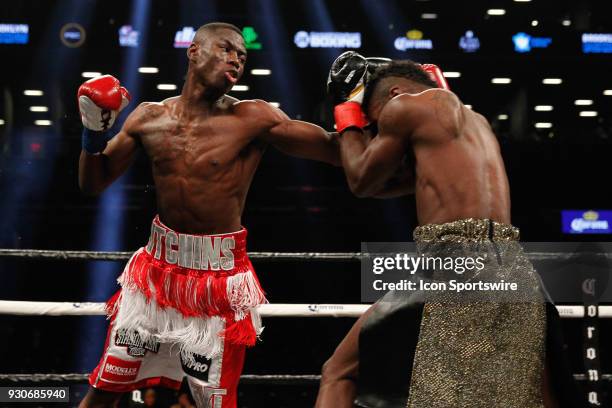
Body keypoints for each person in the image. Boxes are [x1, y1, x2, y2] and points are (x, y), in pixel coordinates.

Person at [77, 22, 342, 408]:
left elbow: (334, 150)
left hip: (218, 282)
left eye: (243, 56)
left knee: (212, 402)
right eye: (227, 49)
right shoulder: (148, 119)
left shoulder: (254, 118)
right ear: (194, 51)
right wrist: (91, 133)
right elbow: (93, 182)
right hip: (154, 276)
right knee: (104, 389)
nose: (237, 59)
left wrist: (356, 107)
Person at [315, 53, 580, 407]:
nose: (381, 131)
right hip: (514, 267)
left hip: (453, 263)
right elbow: (390, 183)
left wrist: (349, 113)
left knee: (339, 370)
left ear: (394, 94)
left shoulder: (403, 105)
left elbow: (362, 180)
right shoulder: (478, 122)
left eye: (379, 123)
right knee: (523, 393)